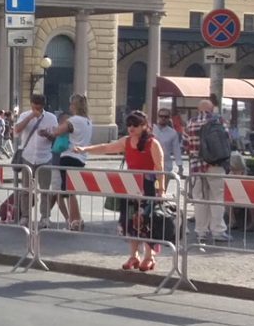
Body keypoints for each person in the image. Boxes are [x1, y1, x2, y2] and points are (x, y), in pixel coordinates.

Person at [76, 110, 166, 271]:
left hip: (148, 187)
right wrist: (85, 149)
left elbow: (159, 169)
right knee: (129, 221)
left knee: (147, 222)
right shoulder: (126, 141)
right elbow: (105, 148)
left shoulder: (153, 143)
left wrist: (161, 190)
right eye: (129, 124)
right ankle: (133, 256)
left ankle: (149, 256)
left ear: (144, 126)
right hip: (130, 186)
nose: (131, 128)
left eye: (135, 125)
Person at [43, 93, 93, 231]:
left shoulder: (74, 120)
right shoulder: (88, 121)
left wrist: (49, 131)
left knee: (70, 192)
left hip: (69, 157)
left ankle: (75, 221)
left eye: (71, 104)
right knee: (72, 191)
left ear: (74, 105)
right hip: (81, 158)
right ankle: (76, 219)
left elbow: (57, 131)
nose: (70, 107)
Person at [185, 98, 231, 243]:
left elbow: (186, 144)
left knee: (199, 199)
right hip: (215, 164)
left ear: (198, 109)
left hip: (196, 166)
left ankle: (201, 232)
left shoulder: (190, 123)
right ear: (212, 109)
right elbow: (227, 140)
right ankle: (218, 231)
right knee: (217, 198)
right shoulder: (219, 121)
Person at [10, 95, 58, 218]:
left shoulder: (51, 118)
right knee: (26, 190)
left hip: (45, 157)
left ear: (43, 106)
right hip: (28, 156)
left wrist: (47, 135)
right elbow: (16, 130)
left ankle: (45, 217)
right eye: (34, 107)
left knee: (45, 190)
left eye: (39, 108)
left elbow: (55, 138)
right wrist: (30, 117)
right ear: (31, 104)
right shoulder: (25, 115)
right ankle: (25, 216)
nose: (36, 110)